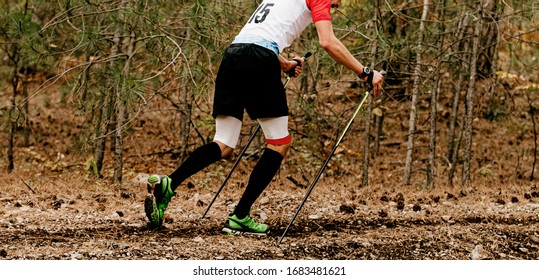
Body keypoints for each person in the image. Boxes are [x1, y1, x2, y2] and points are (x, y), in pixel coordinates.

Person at [144, 0, 384, 235]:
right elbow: (328, 41)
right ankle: (240, 216)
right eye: (335, 4)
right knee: (279, 143)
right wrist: (365, 72)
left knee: (224, 142)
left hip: (233, 55)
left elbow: (259, 37)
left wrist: (284, 63)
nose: (335, 6)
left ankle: (170, 183)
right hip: (259, 59)